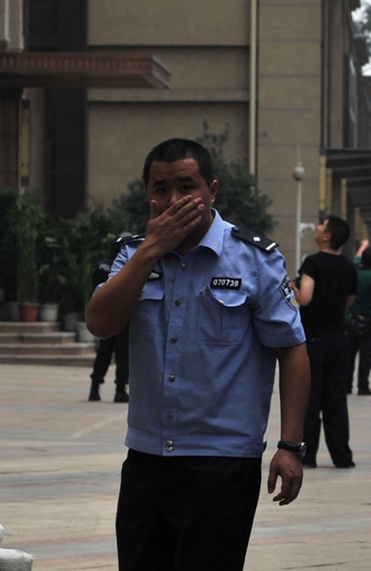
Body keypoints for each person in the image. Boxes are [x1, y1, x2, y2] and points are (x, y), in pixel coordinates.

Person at [86, 138, 310, 571]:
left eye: (185, 186)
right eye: (160, 188)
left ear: (212, 190)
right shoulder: (133, 256)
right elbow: (100, 322)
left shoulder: (254, 259)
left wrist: (290, 446)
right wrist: (153, 248)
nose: (173, 200)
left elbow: (292, 348)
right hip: (148, 457)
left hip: (223, 462)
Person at [292, 215, 357, 469]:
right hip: (338, 339)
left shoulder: (312, 263)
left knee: (312, 397)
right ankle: (342, 456)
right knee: (336, 398)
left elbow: (305, 298)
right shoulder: (348, 266)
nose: (317, 227)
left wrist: (293, 289)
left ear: (327, 236)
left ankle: (308, 455)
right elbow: (350, 301)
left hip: (313, 340)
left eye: (321, 225)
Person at [88, 235, 133, 404]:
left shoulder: (101, 265)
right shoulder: (125, 266)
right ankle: (120, 389)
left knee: (104, 352)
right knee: (123, 353)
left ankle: (94, 387)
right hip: (123, 314)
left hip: (105, 314)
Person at [345, 242, 371, 396]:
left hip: (350, 321)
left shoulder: (354, 270)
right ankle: (363, 386)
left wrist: (363, 245)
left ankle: (346, 385)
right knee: (366, 356)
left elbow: (356, 257)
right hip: (368, 322)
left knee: (349, 355)